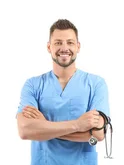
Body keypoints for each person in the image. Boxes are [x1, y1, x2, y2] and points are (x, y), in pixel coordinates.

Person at [15, 19, 111, 165]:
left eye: (70, 42)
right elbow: (25, 131)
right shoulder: (33, 85)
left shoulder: (96, 84)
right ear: (49, 47)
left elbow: (97, 134)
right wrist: (78, 125)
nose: (64, 48)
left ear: (78, 47)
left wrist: (44, 126)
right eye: (58, 42)